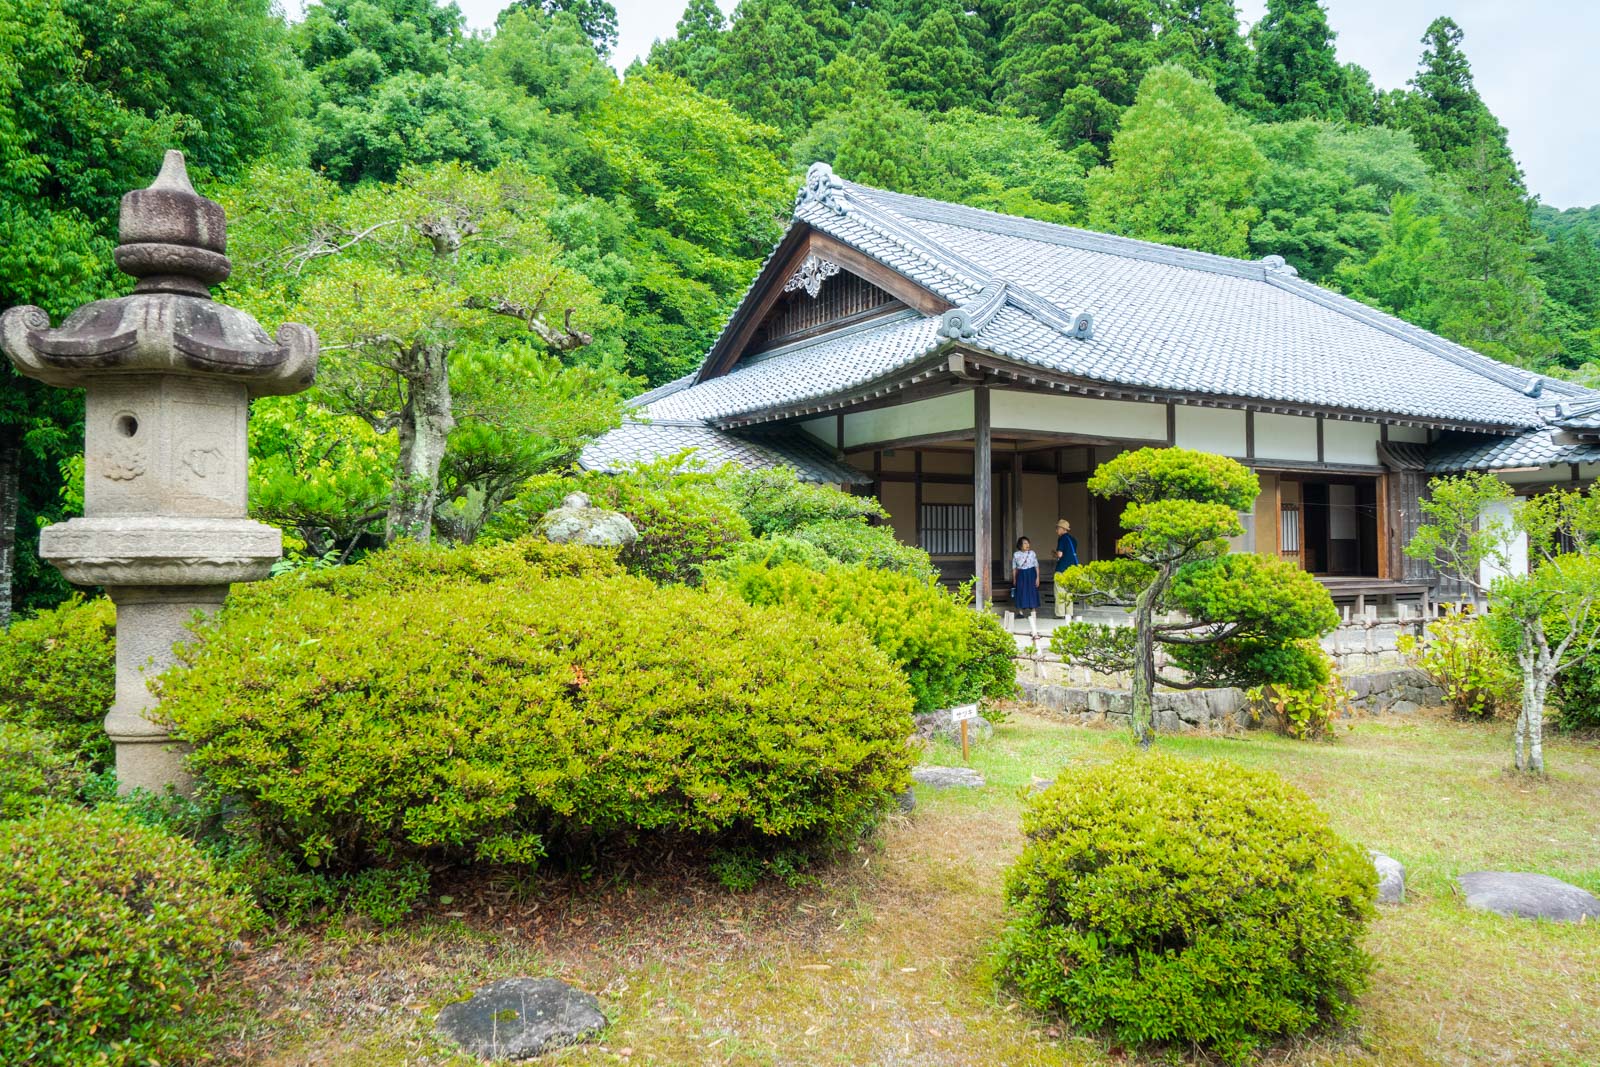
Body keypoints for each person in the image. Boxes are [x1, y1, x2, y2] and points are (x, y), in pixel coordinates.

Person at [1053, 518, 1079, 618]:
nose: (1056, 530)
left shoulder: (1062, 538)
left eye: (1057, 528)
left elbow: (1060, 554)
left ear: (1063, 529)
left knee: (1060, 591)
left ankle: (1060, 614)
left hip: (1062, 568)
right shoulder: (1073, 540)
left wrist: (1054, 554)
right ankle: (1069, 613)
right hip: (1071, 569)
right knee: (1069, 592)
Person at [1011, 536, 1040, 615]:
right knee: (1020, 591)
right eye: (1025, 543)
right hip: (1021, 574)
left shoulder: (1032, 553)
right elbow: (1014, 568)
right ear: (1020, 545)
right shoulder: (1016, 554)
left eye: (1028, 543)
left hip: (1031, 573)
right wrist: (1014, 579)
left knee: (1032, 590)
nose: (1027, 545)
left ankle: (1033, 610)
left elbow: (1036, 566)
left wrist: (1037, 578)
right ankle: (1020, 612)